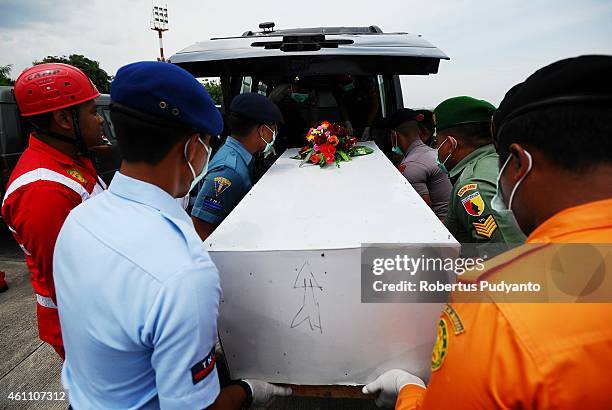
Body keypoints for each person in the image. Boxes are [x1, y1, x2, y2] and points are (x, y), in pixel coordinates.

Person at [363, 55, 612, 409]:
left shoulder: (496, 304)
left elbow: (508, 258)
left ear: (520, 163)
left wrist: (409, 389)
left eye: (504, 164)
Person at [53, 62, 290, 409]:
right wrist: (250, 391)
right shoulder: (185, 272)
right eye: (209, 143)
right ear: (192, 146)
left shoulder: (78, 220)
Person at [1, 63, 106, 359]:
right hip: (86, 329)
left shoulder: (71, 159)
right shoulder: (42, 191)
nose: (99, 120)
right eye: (92, 112)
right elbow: (67, 282)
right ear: (63, 119)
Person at [434, 96, 526, 246]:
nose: (435, 150)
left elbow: (505, 255)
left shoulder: (473, 187)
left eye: (436, 142)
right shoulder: (504, 161)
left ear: (450, 144)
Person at [191, 92, 282, 241]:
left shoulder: (240, 155)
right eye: (273, 129)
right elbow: (200, 230)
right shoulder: (229, 171)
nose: (274, 134)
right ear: (263, 131)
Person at [388, 108, 452, 220]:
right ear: (419, 131)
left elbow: (423, 215)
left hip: (443, 228)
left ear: (393, 135)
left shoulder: (411, 165)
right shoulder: (436, 153)